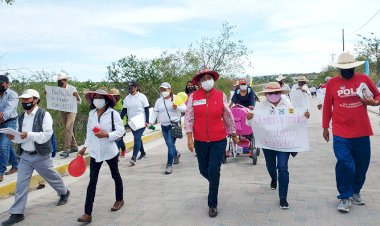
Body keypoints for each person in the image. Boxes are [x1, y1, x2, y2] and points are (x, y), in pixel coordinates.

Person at [2, 89, 70, 226]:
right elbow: (20, 138)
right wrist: (13, 138)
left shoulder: (44, 115)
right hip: (26, 157)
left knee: (52, 177)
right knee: (21, 184)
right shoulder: (21, 117)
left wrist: (29, 135)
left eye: (28, 99)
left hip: (41, 156)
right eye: (23, 99)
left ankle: (64, 192)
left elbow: (46, 136)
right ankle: (17, 213)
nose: (25, 102)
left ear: (36, 100)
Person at [323, 52, 380, 213]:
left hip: (362, 131)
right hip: (340, 132)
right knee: (345, 163)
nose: (348, 71)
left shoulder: (364, 79)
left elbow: (377, 95)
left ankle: (356, 191)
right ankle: (344, 196)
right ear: (339, 69)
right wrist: (325, 127)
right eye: (344, 68)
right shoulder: (333, 83)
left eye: (351, 68)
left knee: (362, 165)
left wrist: (374, 102)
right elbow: (327, 106)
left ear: (354, 66)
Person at [246, 82, 310, 209]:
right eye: (270, 93)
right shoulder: (260, 106)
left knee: (282, 167)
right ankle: (273, 178)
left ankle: (283, 198)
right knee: (270, 165)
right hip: (268, 143)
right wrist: (249, 117)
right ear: (266, 94)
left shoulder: (287, 104)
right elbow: (249, 123)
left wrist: (303, 116)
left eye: (276, 92)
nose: (274, 95)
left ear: (280, 93)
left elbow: (294, 117)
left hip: (283, 143)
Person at [185, 67, 238, 218]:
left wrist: (233, 134)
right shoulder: (193, 97)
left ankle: (212, 204)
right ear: (199, 82)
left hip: (218, 139)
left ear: (213, 79)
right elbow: (189, 118)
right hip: (200, 140)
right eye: (203, 79)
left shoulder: (220, 95)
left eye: (209, 78)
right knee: (203, 170)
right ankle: (214, 183)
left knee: (213, 169)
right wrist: (190, 138)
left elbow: (228, 116)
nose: (206, 81)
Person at [77, 89, 125, 223]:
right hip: (95, 152)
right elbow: (89, 132)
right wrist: (84, 148)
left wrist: (107, 135)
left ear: (107, 100)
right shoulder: (92, 113)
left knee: (115, 175)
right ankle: (87, 213)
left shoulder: (113, 114)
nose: (97, 99)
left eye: (100, 97)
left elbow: (120, 131)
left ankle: (119, 199)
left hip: (109, 150)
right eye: (95, 97)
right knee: (92, 181)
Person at [149, 82, 186, 174]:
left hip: (173, 125)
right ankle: (176, 154)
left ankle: (169, 165)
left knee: (170, 144)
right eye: (161, 89)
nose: (163, 91)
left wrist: (177, 107)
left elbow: (185, 109)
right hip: (164, 126)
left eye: (165, 89)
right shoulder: (159, 101)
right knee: (169, 144)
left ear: (170, 90)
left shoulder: (176, 98)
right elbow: (155, 112)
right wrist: (151, 122)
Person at [120, 81, 149, 166]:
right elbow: (124, 111)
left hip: (141, 121)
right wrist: (119, 119)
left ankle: (133, 157)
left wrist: (147, 121)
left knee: (136, 138)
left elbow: (146, 109)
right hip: (132, 122)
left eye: (132, 87)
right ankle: (143, 152)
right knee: (138, 138)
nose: (130, 89)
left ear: (136, 87)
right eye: (129, 87)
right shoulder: (127, 98)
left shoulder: (142, 97)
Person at [55, 73, 81, 159]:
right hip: (63, 110)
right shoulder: (57, 89)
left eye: (61, 80)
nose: (59, 82)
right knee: (67, 129)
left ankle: (66, 149)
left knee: (68, 128)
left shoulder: (72, 88)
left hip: (71, 111)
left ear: (65, 81)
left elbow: (79, 101)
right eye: (58, 80)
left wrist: (76, 96)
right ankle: (74, 146)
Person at [0, 74, 19, 182]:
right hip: (1, 121)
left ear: (7, 84)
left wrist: (2, 116)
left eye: (2, 83)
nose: (0, 85)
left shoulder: (13, 94)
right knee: (7, 146)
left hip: (9, 122)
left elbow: (7, 111)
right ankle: (16, 165)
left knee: (3, 146)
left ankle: (0, 172)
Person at [109, 88, 127, 158]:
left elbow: (126, 111)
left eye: (115, 95)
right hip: (114, 123)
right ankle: (123, 149)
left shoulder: (122, 102)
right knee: (118, 138)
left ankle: (117, 154)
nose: (113, 97)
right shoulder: (110, 103)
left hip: (123, 122)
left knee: (119, 138)